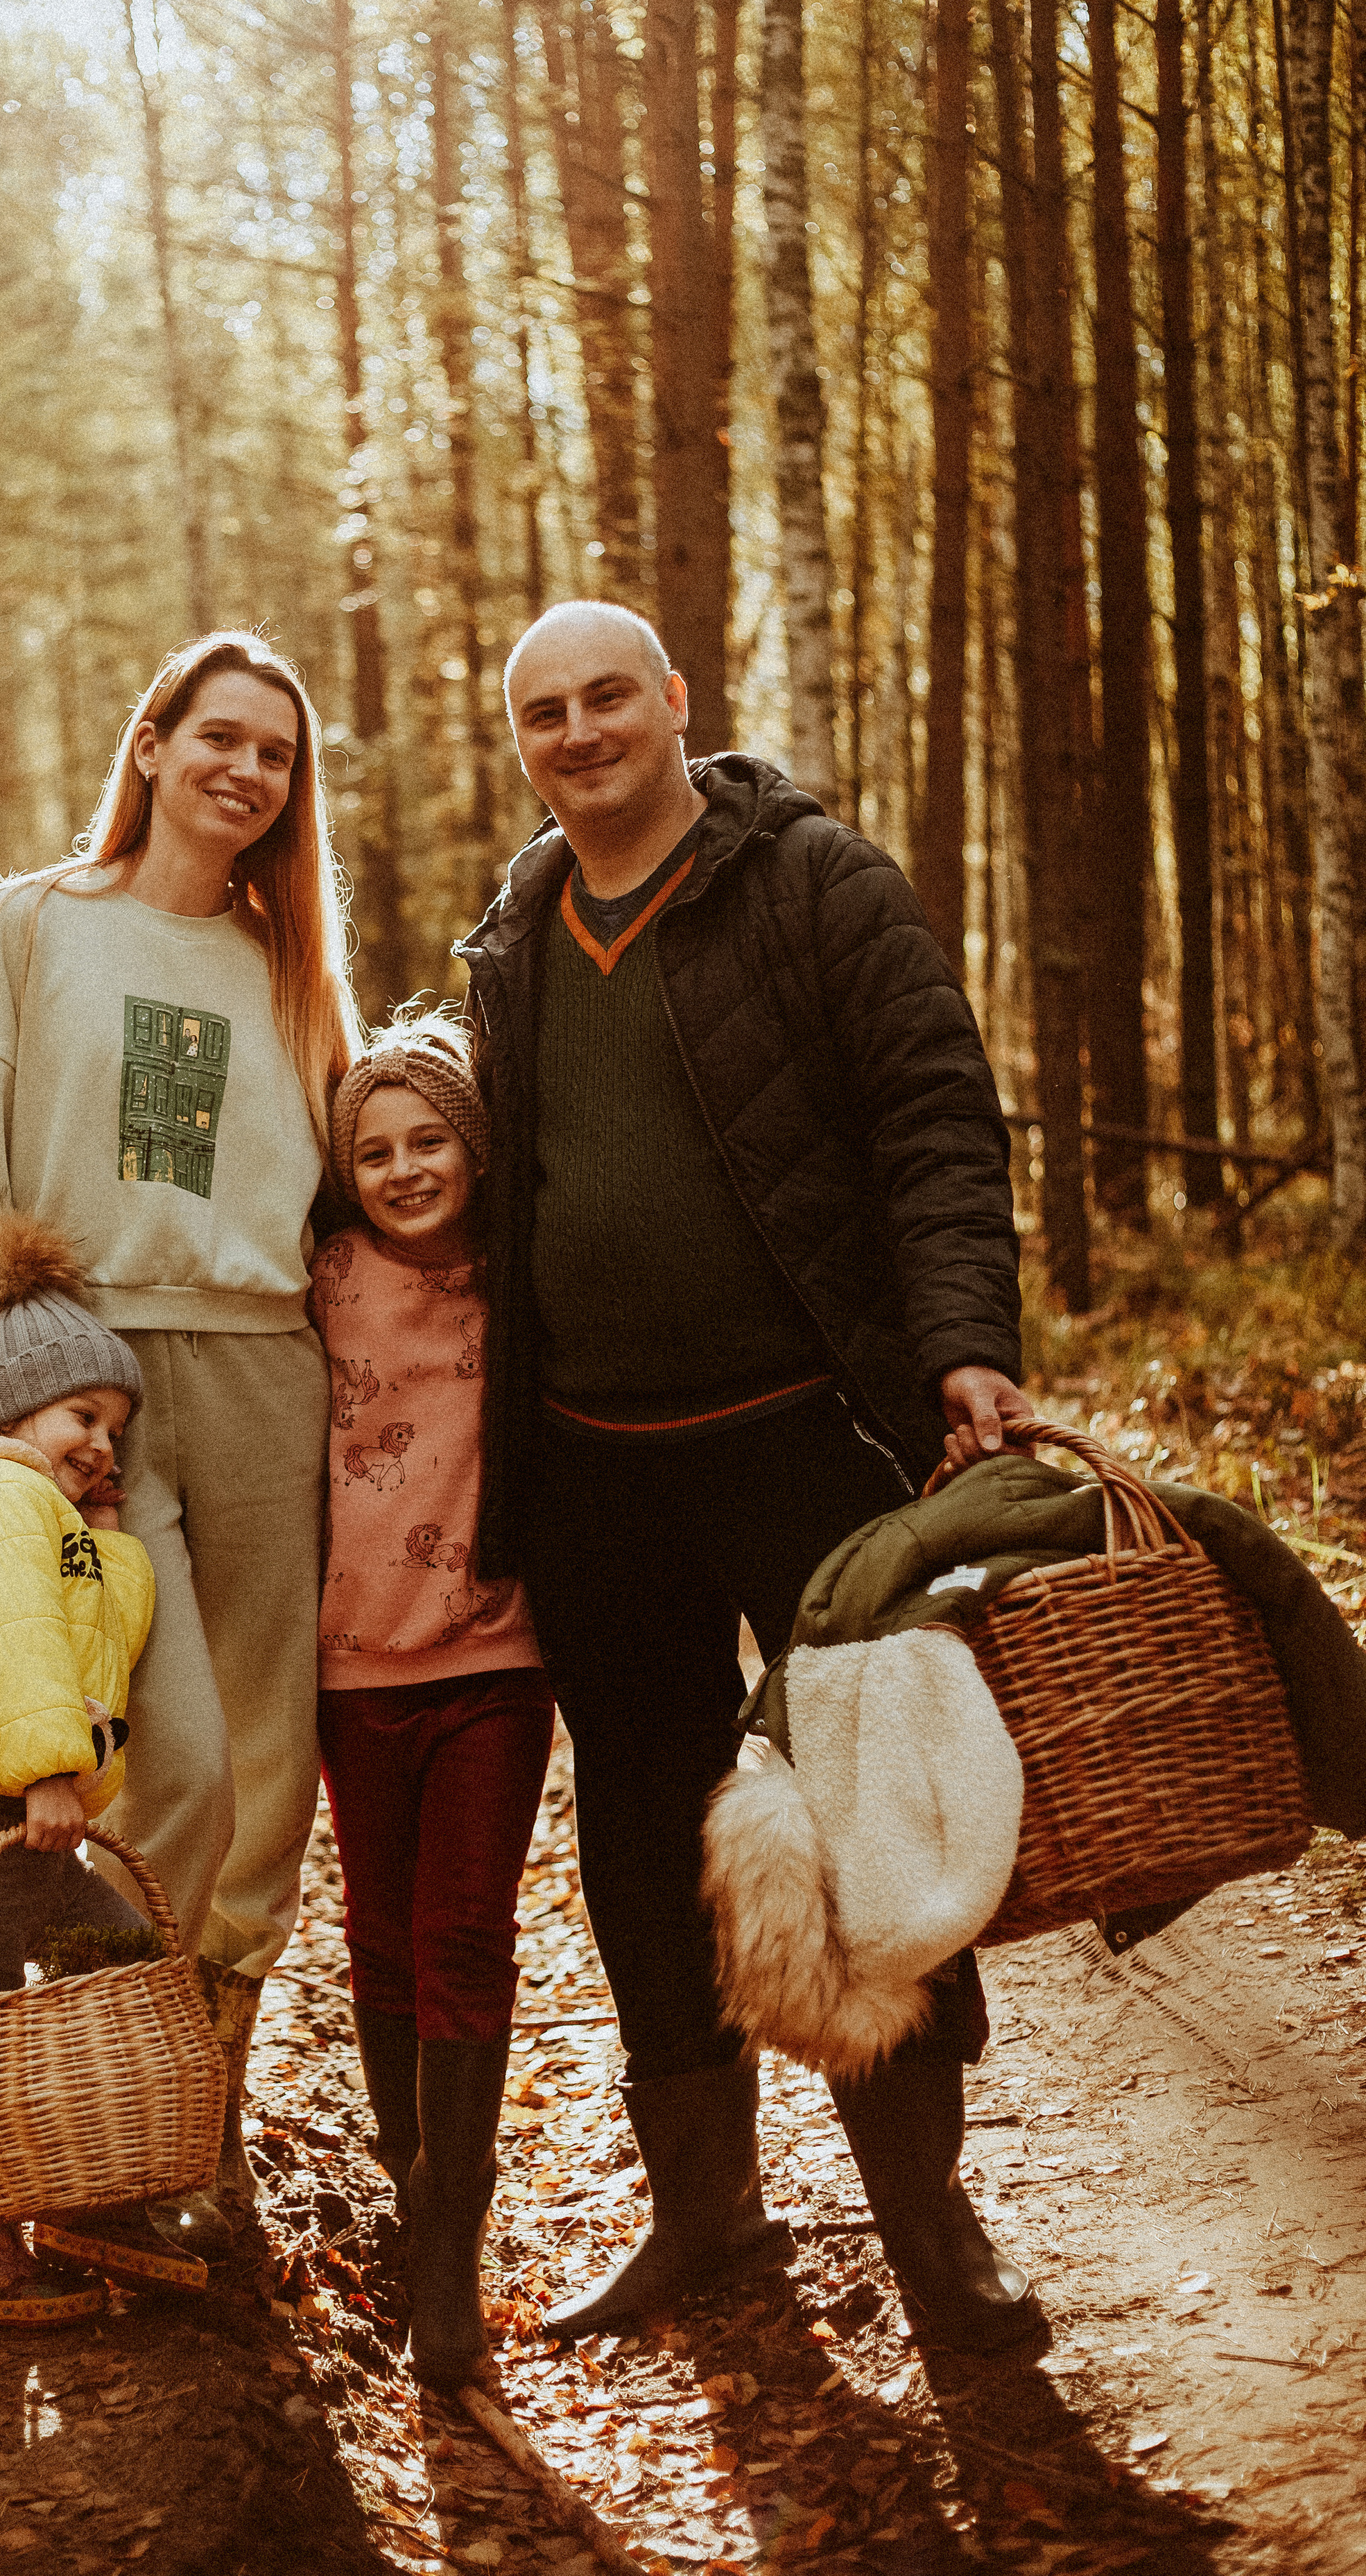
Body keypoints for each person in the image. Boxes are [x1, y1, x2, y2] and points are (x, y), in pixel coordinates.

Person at [457, 599, 1040, 2350]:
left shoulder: (812, 883)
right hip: (594, 1475)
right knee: (641, 1840)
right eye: (544, 712)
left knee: (874, 1820)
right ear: (523, 740)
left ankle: (929, 2226)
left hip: (808, 1443)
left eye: (607, 697)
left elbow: (933, 1111)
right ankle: (705, 2221)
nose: (579, 733)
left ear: (674, 704)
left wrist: (960, 1338)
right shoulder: (512, 932)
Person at [0, 631, 358, 2254]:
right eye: (219, 738)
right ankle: (71, 2079)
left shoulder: (290, 962)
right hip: (81, 1381)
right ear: (153, 744)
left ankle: (189, 2116)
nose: (247, 772)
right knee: (150, 1753)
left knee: (263, 1762)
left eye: (278, 755)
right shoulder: (33, 926)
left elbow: (349, 1203)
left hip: (259, 1373)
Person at [0, 1211, 210, 2322]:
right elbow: (10, 1639)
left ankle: (85, 2202)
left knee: (112, 1956)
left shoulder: (41, 1514)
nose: (105, 1445)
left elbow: (91, 1638)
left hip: (7, 1818)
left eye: (117, 1428)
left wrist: (106, 1532)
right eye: (84, 1418)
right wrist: (50, 1771)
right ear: (16, 1408)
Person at [309, 1013, 554, 2392]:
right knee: (378, 1942)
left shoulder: (518, 1280)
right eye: (376, 1150)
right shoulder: (322, 1277)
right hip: (351, 1666)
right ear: (346, 1171)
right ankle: (412, 2207)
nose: (406, 1168)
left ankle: (450, 2259)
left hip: (492, 1663)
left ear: (472, 1145)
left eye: (429, 1141)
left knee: (462, 1933)